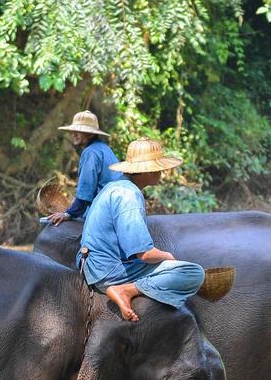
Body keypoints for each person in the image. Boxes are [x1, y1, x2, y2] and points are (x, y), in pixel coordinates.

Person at [78, 138, 205, 321]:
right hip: (106, 271)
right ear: (145, 171)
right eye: (157, 167)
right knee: (193, 272)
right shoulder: (129, 195)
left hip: (92, 264)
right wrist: (168, 257)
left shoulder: (114, 186)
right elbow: (144, 254)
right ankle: (125, 290)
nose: (161, 172)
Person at [46, 110, 125, 226]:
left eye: (80, 131)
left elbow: (86, 192)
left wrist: (68, 213)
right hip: (118, 205)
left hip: (107, 210)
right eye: (74, 130)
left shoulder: (90, 152)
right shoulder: (103, 148)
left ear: (91, 134)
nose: (74, 134)